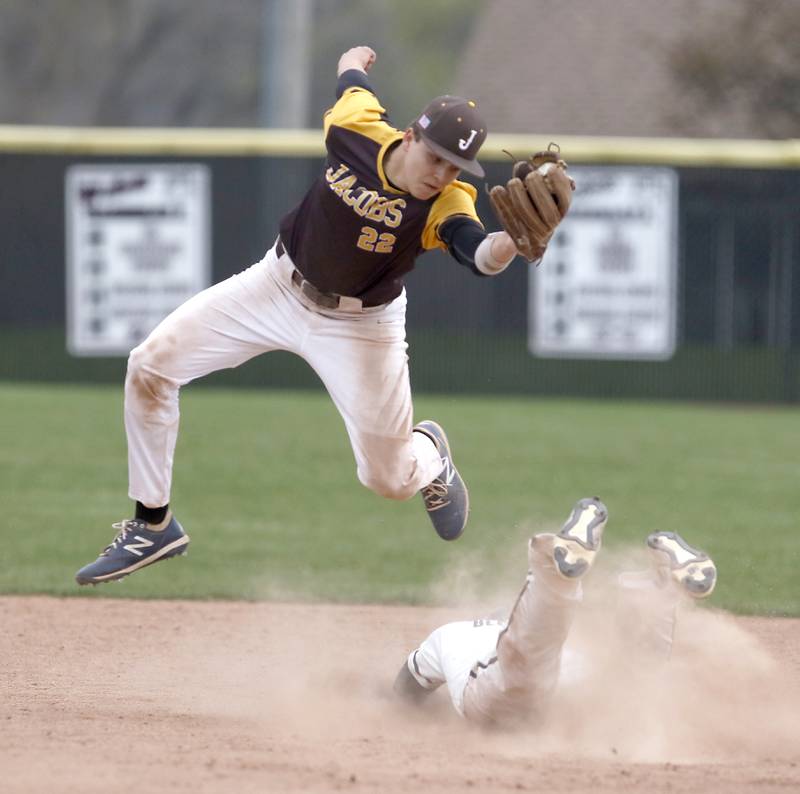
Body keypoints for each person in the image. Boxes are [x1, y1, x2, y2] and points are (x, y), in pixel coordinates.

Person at [75, 45, 534, 586]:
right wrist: (353, 59)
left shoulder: (446, 204)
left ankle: (430, 453)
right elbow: (350, 80)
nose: (441, 173)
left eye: (455, 166)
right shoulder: (357, 127)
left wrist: (512, 242)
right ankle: (153, 525)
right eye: (435, 156)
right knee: (150, 366)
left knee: (388, 480)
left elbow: (477, 255)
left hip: (362, 327)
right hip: (275, 286)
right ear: (410, 135)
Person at [393, 497, 717, 726]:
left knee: (524, 669)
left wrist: (418, 712)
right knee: (631, 689)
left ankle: (554, 568)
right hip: (564, 701)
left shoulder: (456, 634)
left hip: (498, 699)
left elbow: (407, 688)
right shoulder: (568, 653)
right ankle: (656, 592)